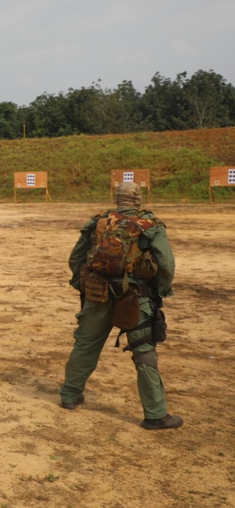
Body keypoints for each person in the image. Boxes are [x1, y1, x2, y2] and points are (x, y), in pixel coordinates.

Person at [60, 181, 182, 430]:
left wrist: (81, 285)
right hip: (135, 298)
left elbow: (76, 257)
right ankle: (156, 415)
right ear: (139, 199)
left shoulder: (99, 221)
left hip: (98, 295)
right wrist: (159, 292)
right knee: (143, 351)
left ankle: (70, 395)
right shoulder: (150, 225)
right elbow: (166, 264)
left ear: (117, 199)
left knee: (86, 344)